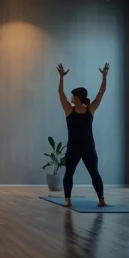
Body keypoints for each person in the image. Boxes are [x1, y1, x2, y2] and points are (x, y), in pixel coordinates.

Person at [56, 62, 108, 207]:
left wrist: (104, 76)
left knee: (94, 173)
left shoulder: (90, 109)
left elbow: (101, 92)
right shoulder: (69, 110)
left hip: (88, 148)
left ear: (78, 98)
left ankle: (101, 199)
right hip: (73, 148)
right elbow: (60, 94)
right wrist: (61, 77)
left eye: (73, 97)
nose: (71, 99)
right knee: (69, 173)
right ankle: (68, 200)